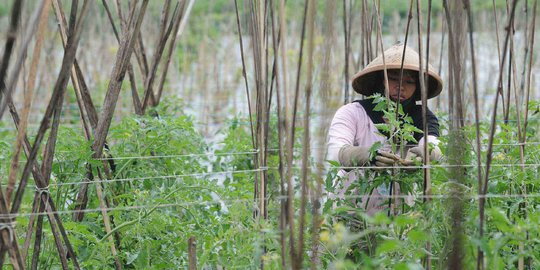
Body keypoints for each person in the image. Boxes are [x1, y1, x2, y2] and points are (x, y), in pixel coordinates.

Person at [327, 43, 444, 216]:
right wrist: (368, 156)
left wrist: (423, 154)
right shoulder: (352, 113)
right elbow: (336, 153)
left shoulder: (422, 117)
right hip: (350, 213)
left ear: (418, 87)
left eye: (409, 81)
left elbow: (434, 145)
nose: (401, 86)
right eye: (394, 79)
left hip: (398, 219)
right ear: (381, 80)